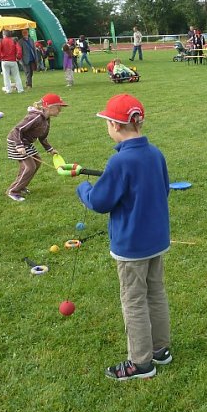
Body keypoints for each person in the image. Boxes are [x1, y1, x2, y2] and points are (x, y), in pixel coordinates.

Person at [76, 94, 172, 381]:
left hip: (132, 246)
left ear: (116, 126)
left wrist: (84, 189)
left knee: (134, 300)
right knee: (155, 292)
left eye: (107, 123)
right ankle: (160, 349)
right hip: (156, 240)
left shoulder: (120, 162)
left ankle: (141, 363)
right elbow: (164, 189)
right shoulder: (154, 153)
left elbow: (99, 201)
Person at [6, 93, 67, 202]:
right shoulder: (36, 117)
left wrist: (50, 149)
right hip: (16, 141)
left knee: (37, 163)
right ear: (49, 107)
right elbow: (17, 129)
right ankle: (13, 191)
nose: (60, 110)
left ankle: (22, 186)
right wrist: (19, 145)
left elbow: (42, 137)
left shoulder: (46, 119)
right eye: (59, 107)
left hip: (26, 143)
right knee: (29, 167)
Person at [0, 29, 24, 94]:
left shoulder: (1, 41)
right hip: (13, 60)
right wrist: (18, 57)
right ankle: (20, 89)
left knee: (6, 77)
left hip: (4, 61)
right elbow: (19, 49)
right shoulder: (14, 40)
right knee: (16, 76)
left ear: (4, 35)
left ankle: (8, 90)